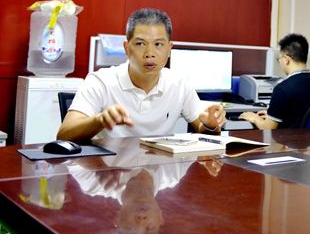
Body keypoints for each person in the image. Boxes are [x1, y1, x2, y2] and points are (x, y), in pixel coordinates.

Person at [57, 8, 225, 142]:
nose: (149, 53)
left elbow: (204, 131)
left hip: (161, 170)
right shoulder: (100, 81)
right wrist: (99, 120)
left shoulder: (179, 84)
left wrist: (211, 125)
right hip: (112, 171)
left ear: (169, 49)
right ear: (126, 48)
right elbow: (64, 135)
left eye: (158, 44)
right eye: (140, 44)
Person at [239, 33, 310, 129]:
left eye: (279, 59)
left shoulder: (282, 89)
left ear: (286, 59)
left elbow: (268, 128)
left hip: (288, 139)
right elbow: (300, 115)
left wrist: (255, 118)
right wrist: (273, 115)